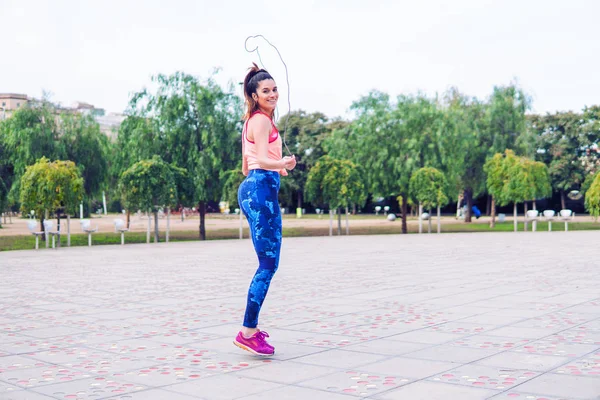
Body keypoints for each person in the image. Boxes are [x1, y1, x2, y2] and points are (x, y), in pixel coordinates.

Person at [233, 63, 296, 356]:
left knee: (268, 263)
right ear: (255, 95)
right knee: (268, 264)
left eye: (274, 89)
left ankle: (250, 330)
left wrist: (281, 167)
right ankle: (248, 331)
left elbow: (247, 164)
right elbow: (259, 159)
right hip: (259, 189)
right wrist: (279, 164)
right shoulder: (260, 121)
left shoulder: (254, 121)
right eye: (266, 91)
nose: (272, 94)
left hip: (257, 186)